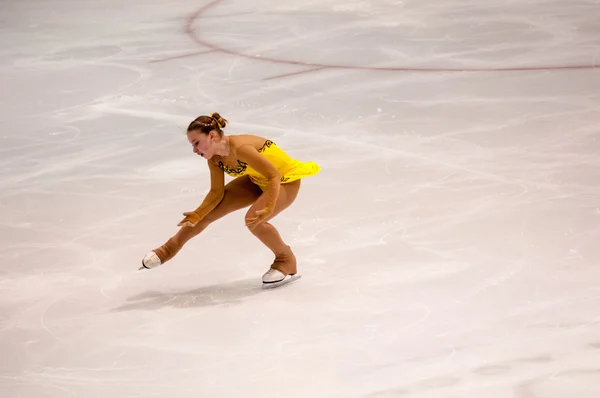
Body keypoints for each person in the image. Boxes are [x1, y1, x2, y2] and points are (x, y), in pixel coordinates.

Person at [140, 112, 320, 285]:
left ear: (211, 136)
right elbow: (215, 193)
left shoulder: (241, 149)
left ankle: (286, 260)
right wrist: (198, 213)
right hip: (256, 181)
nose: (194, 150)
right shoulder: (214, 158)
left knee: (254, 220)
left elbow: (273, 175)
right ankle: (167, 249)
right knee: (207, 213)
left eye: (196, 143)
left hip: (283, 181)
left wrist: (269, 206)